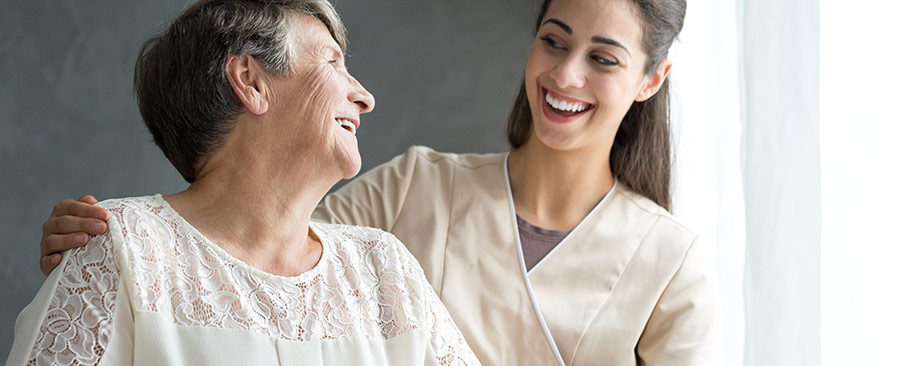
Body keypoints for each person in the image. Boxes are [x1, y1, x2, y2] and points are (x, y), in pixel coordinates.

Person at [36, 0, 717, 364]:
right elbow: (259, 233)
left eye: (602, 58)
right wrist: (122, 244)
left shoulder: (670, 259)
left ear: (651, 79)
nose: (565, 76)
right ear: (250, 79)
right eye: (553, 41)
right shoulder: (414, 190)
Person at [8, 1, 481, 365]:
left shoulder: (386, 270)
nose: (365, 97)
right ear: (250, 80)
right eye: (332, 62)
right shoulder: (121, 252)